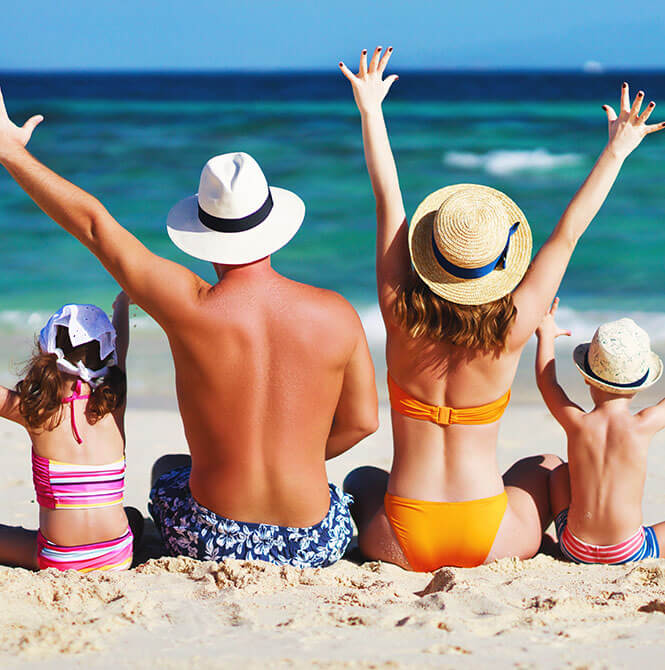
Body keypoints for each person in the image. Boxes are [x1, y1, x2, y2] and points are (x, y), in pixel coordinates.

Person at [0, 92, 378, 569]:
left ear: (204, 232)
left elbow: (96, 227)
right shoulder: (337, 312)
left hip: (210, 541)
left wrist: (11, 152)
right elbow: (363, 422)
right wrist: (293, 456)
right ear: (273, 224)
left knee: (169, 469)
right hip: (311, 543)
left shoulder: (189, 305)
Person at [339, 45, 665, 570]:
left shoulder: (398, 311)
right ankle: (587, 544)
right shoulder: (514, 327)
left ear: (432, 256)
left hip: (399, 539)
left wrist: (371, 110)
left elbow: (388, 199)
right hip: (490, 536)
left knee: (362, 480)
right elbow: (568, 234)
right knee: (545, 466)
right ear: (500, 266)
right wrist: (616, 152)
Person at [0, 295, 136, 571]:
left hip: (60, 560)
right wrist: (122, 303)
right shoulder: (113, 402)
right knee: (131, 516)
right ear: (107, 355)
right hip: (118, 556)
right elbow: (121, 346)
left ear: (46, 350)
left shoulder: (35, 413)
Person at [536, 300, 665, 563]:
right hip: (628, 550)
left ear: (586, 376)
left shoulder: (577, 422)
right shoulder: (643, 424)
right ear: (642, 385)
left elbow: (547, 383)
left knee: (559, 472)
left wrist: (546, 336)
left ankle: (553, 537)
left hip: (574, 547)